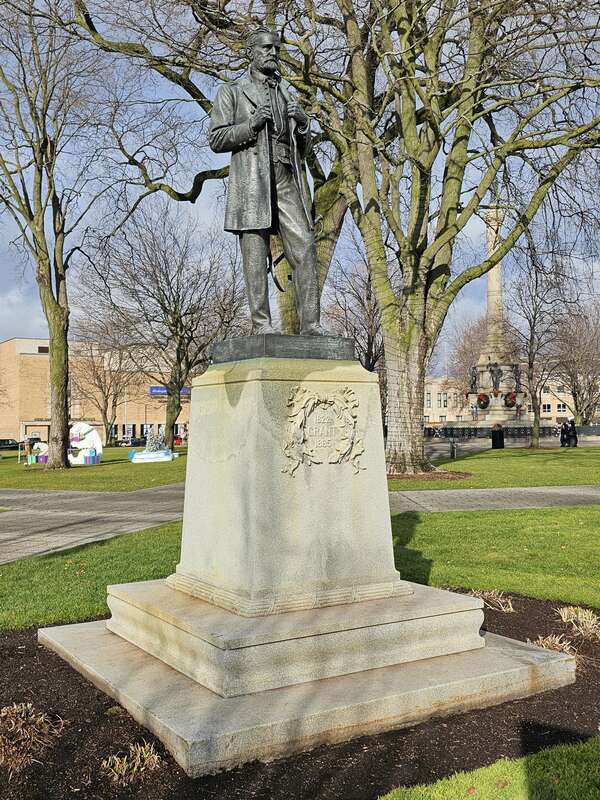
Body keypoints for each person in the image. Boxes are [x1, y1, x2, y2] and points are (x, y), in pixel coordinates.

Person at [209, 27, 326, 336]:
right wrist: (251, 125)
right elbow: (217, 138)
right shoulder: (232, 91)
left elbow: (302, 148)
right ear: (252, 52)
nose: (274, 53)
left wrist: (302, 124)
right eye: (266, 48)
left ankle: (311, 326)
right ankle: (262, 325)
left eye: (276, 48)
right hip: (252, 181)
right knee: (255, 255)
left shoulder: (286, 93)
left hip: (287, 176)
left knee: (306, 245)